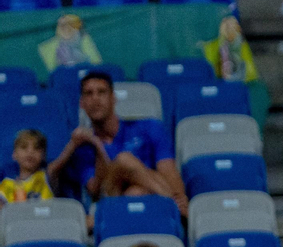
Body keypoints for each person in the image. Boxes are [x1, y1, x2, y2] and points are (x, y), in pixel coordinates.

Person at [52, 71, 186, 211]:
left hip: (148, 201)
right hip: (110, 203)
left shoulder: (149, 127)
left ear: (113, 98)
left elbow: (169, 171)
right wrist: (97, 145)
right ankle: (175, 206)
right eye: (89, 94)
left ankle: (177, 209)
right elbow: (96, 191)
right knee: (124, 160)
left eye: (101, 92)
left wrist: (181, 197)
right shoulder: (83, 147)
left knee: (135, 193)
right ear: (82, 103)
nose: (95, 99)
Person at [0, 129, 51, 202]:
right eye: (24, 147)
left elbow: (59, 163)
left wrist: (73, 142)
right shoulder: (6, 182)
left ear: (44, 155)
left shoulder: (47, 176)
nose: (30, 152)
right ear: (14, 154)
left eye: (36, 148)